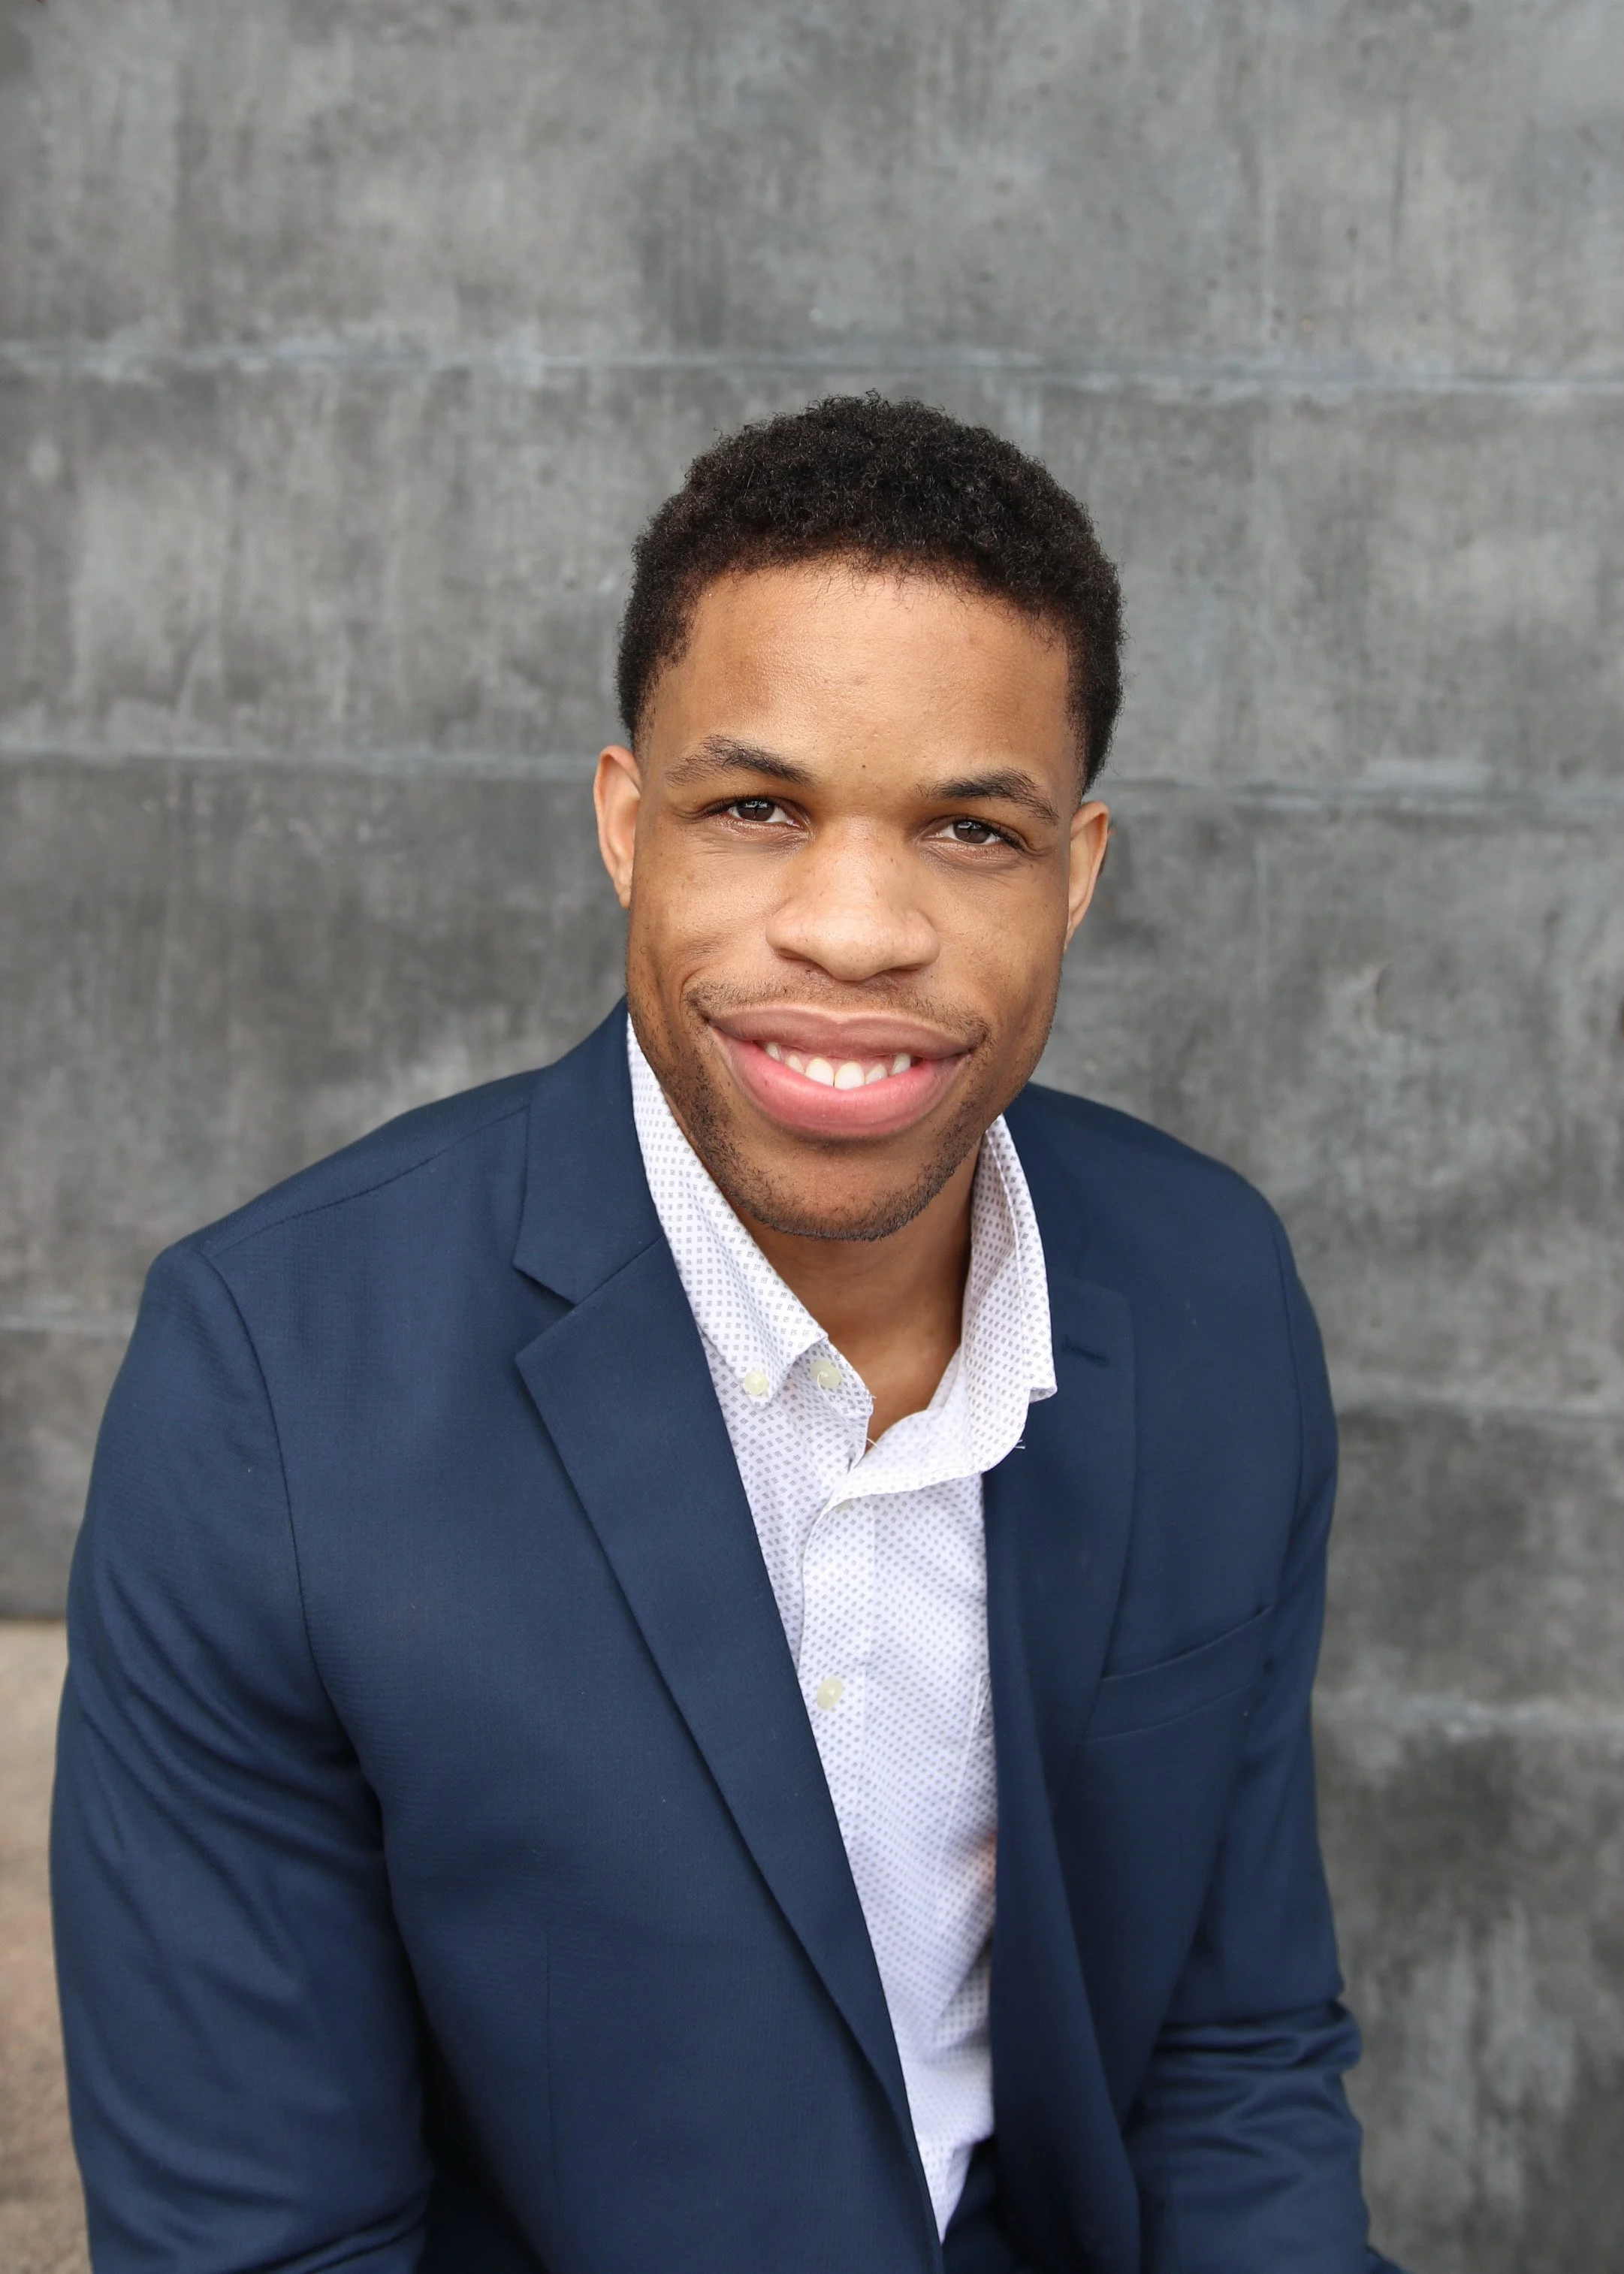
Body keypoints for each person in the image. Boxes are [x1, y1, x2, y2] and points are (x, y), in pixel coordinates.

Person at [53, 396, 1405, 2274]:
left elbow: (1228, 2049)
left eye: (968, 828)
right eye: (756, 808)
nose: (855, 929)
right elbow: (263, 2247)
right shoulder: (272, 1382)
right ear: (627, 825)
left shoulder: (1207, 1293)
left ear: (1076, 871)